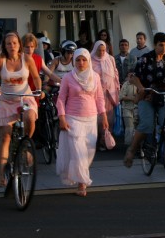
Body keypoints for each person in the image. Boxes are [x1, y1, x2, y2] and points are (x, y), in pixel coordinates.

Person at [0, 31, 43, 188]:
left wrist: (39, 89)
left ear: (19, 44)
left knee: (30, 118)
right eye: (8, 43)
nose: (11, 46)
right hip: (6, 98)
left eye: (14, 43)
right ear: (4, 46)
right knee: (6, 136)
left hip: (24, 96)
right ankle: (1, 176)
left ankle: (26, 143)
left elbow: (36, 77)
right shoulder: (0, 60)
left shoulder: (27, 59)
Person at [123, 32, 165, 168]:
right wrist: (140, 88)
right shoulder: (145, 59)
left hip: (164, 93)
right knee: (146, 125)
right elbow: (134, 77)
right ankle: (132, 150)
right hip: (148, 94)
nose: (163, 48)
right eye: (160, 45)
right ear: (154, 45)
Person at [56, 48, 107, 197]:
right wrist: (62, 118)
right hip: (73, 120)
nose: (81, 63)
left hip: (91, 120)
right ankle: (82, 183)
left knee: (89, 153)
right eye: (78, 60)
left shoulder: (95, 77)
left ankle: (80, 176)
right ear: (73, 61)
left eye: (84, 59)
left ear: (88, 61)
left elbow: (99, 99)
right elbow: (60, 99)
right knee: (79, 153)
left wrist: (103, 116)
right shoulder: (67, 77)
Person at [90, 40, 119, 150]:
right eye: (99, 50)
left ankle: (105, 140)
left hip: (109, 93)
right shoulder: (90, 59)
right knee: (96, 119)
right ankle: (95, 142)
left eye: (103, 50)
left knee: (109, 119)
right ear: (95, 49)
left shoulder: (110, 59)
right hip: (95, 93)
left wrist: (117, 89)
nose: (102, 52)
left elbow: (115, 74)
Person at [118, 77, 138, 146]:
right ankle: (129, 145)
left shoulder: (138, 84)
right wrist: (132, 98)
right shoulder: (125, 85)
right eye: (130, 76)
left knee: (137, 127)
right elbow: (121, 97)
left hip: (136, 108)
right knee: (129, 127)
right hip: (127, 108)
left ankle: (137, 146)